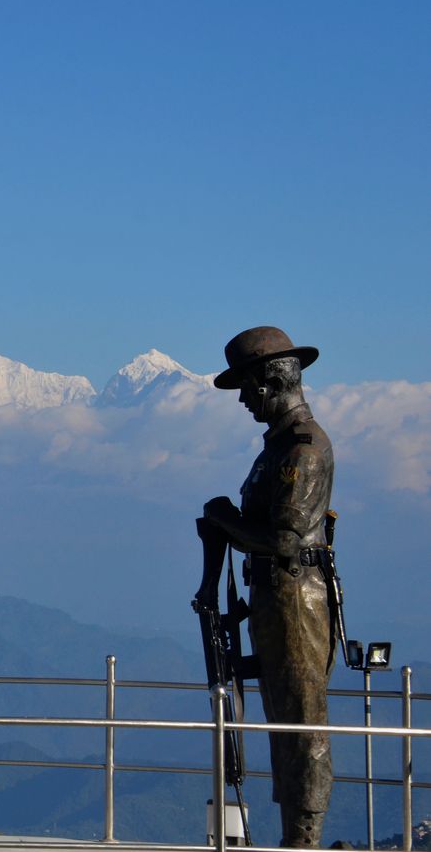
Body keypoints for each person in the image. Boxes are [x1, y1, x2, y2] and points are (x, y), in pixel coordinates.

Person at [202, 326, 335, 849]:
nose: (240, 399)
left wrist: (225, 521)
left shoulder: (303, 450)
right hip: (277, 598)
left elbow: (283, 537)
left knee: (301, 718)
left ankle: (303, 838)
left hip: (296, 598)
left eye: (244, 387)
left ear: (266, 382)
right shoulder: (279, 447)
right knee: (282, 714)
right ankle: (293, 837)